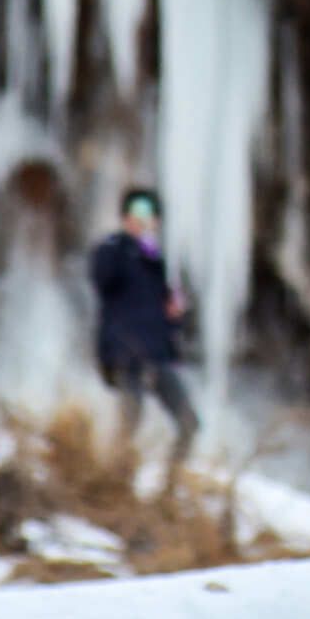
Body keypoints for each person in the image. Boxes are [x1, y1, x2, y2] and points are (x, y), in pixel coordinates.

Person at [89, 187, 198, 467]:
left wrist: (176, 314)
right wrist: (129, 243)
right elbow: (101, 278)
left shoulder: (157, 265)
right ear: (125, 216)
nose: (143, 218)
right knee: (131, 418)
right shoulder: (113, 249)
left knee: (189, 422)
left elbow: (170, 320)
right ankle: (112, 483)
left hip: (156, 356)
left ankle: (168, 492)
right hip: (125, 355)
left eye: (149, 213)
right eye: (137, 211)